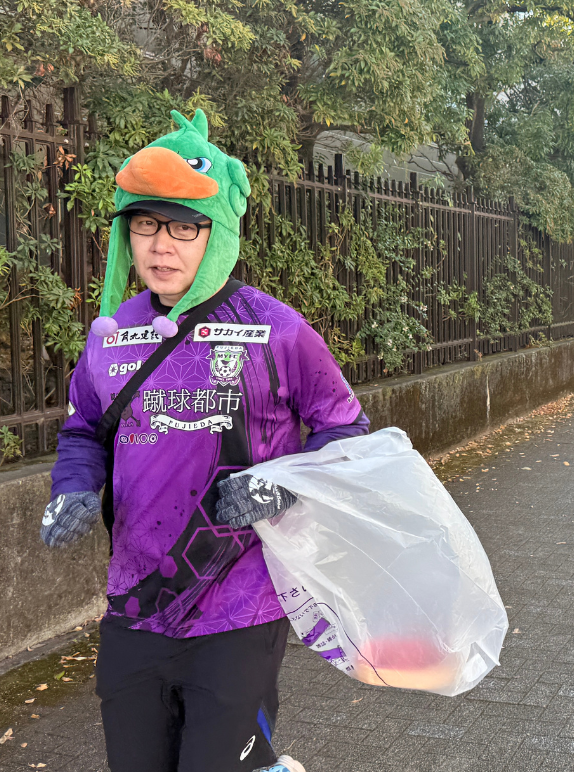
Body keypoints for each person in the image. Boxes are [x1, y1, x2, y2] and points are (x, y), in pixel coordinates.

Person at [40, 110, 369, 772]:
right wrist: (74, 485)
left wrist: (277, 486)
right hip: (135, 607)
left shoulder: (277, 330)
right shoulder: (112, 338)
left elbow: (346, 430)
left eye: (183, 226)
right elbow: (84, 428)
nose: (162, 245)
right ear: (126, 235)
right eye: (145, 225)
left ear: (215, 231)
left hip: (240, 608)